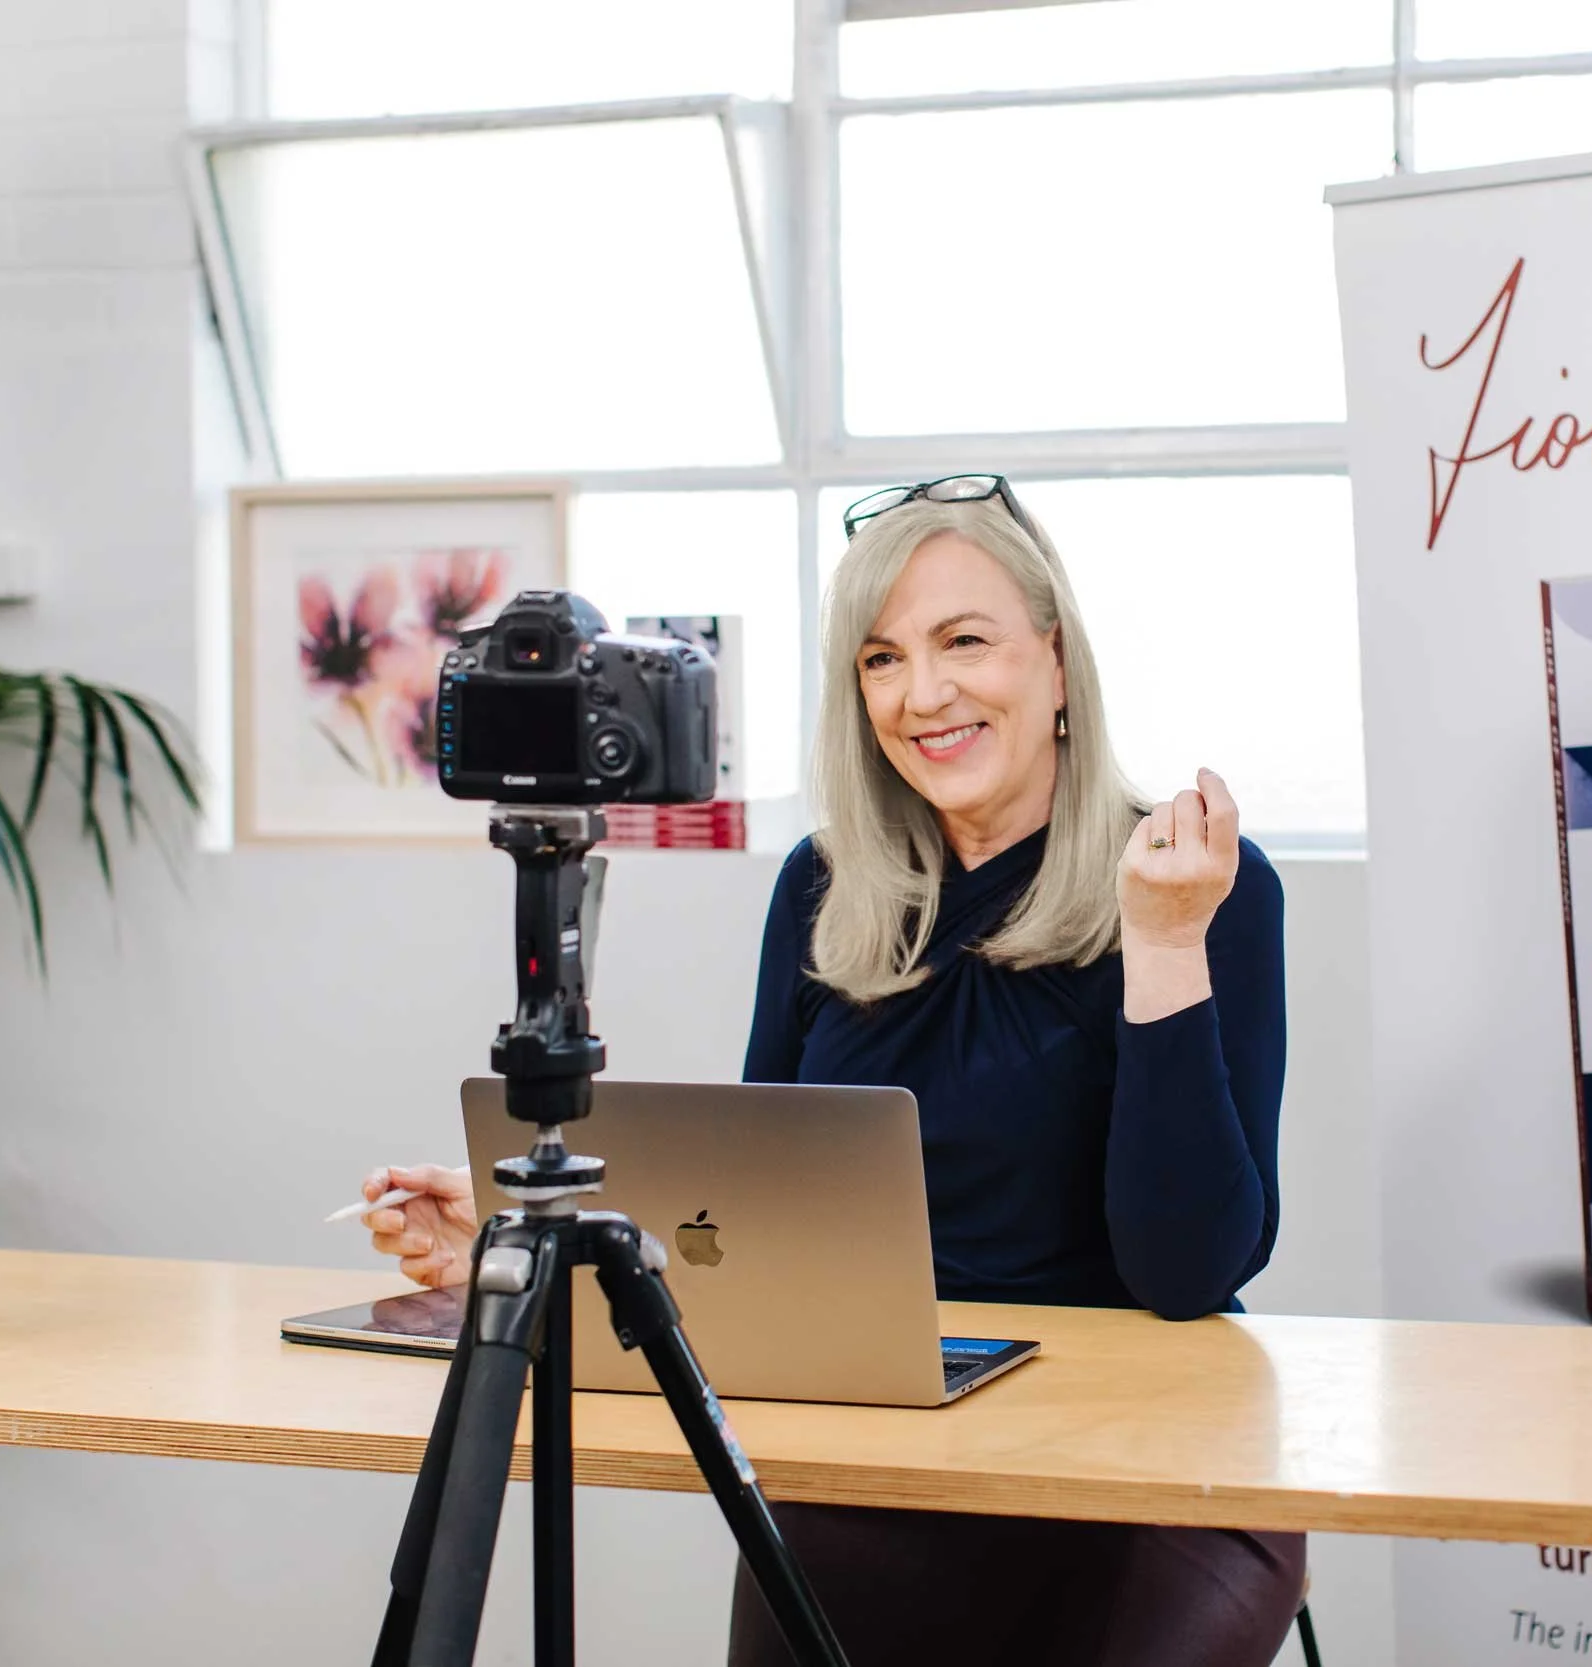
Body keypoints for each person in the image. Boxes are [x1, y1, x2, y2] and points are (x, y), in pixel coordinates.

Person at [358, 474, 1296, 1666]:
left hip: (1145, 1473)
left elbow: (1187, 1270)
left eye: (965, 642)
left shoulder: (1198, 878)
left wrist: (1161, 944)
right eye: (880, 659)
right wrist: (515, 1225)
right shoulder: (822, 885)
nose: (923, 694)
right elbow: (752, 1233)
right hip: (886, 1452)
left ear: (1057, 663)